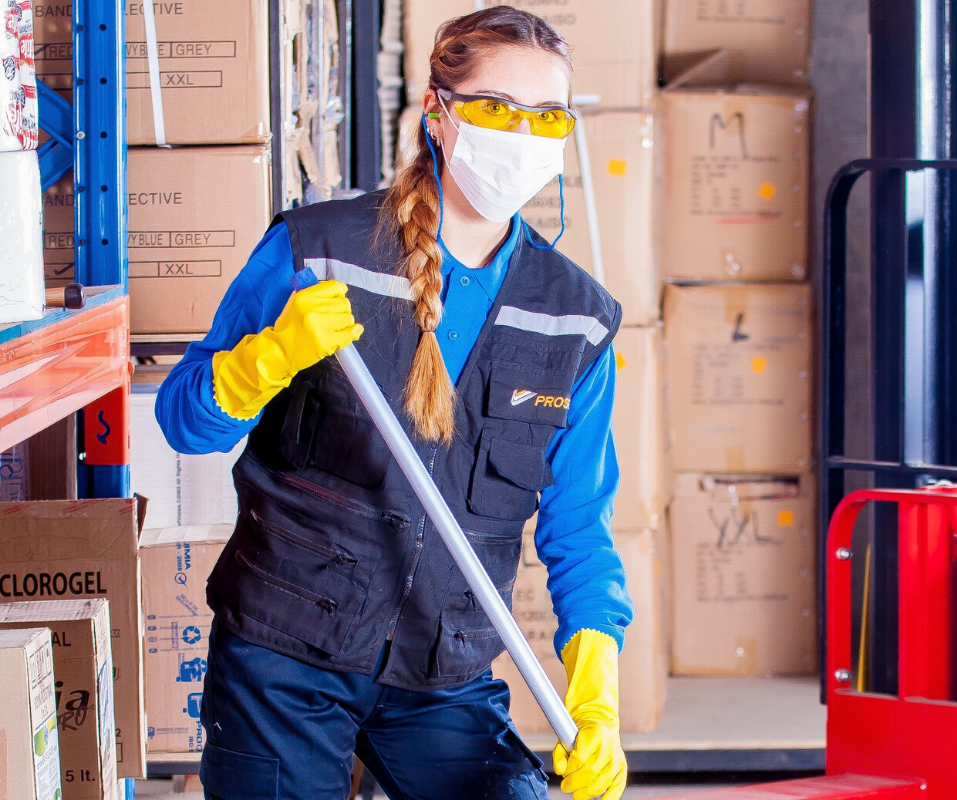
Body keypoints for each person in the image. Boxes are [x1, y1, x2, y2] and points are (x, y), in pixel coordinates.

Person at [154, 8, 632, 799]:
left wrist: (599, 701)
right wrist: (264, 359)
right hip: (285, 653)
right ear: (438, 116)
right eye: (494, 108)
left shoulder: (574, 320)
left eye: (546, 115)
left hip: (440, 670)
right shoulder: (319, 254)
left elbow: (578, 528)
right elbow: (184, 421)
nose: (521, 132)